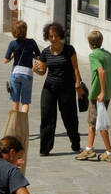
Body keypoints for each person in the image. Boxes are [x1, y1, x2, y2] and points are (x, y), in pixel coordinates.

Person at [32, 22, 85, 156]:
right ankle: (45, 149)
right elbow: (43, 71)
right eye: (51, 36)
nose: (54, 38)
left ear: (60, 35)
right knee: (47, 117)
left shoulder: (69, 49)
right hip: (49, 88)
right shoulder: (45, 52)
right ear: (47, 37)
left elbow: (76, 69)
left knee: (70, 117)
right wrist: (35, 70)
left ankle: (75, 144)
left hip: (67, 88)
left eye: (56, 36)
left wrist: (78, 84)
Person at [76, 28, 111, 162]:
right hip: (106, 95)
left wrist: (101, 91)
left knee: (95, 124)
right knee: (97, 123)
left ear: (90, 43)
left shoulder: (93, 55)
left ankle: (105, 152)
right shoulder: (108, 54)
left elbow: (100, 72)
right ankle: (90, 148)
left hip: (97, 95)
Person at [3, 20, 41, 113]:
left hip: (16, 72)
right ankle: (23, 122)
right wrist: (31, 55)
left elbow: (5, 60)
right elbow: (39, 56)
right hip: (28, 73)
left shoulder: (13, 43)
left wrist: (13, 55)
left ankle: (16, 124)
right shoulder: (32, 42)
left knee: (15, 100)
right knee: (25, 102)